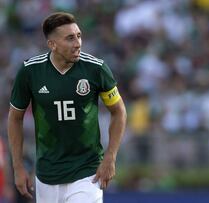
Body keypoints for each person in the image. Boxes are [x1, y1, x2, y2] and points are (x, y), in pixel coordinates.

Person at [7, 12, 127, 203]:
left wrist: (110, 157)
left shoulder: (96, 69)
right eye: (70, 38)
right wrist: (18, 166)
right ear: (52, 44)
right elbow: (15, 118)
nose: (78, 43)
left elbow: (118, 111)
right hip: (47, 174)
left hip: (87, 172)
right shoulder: (30, 72)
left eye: (79, 36)